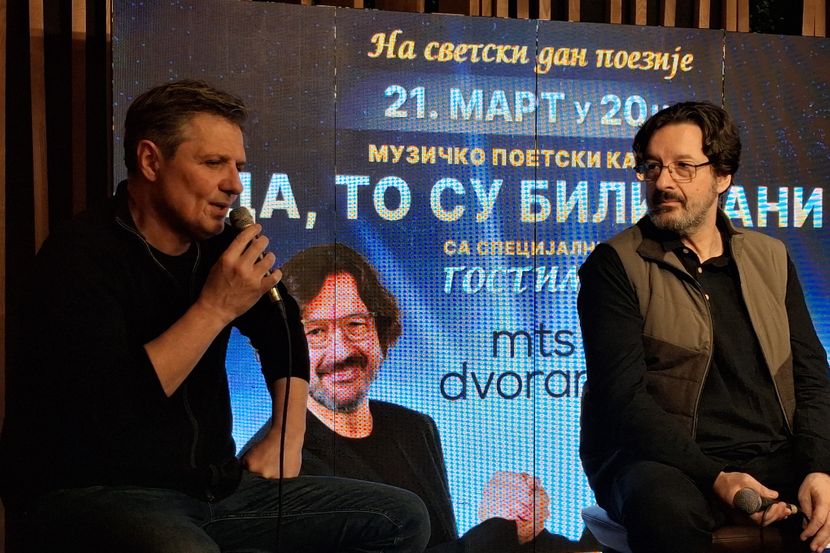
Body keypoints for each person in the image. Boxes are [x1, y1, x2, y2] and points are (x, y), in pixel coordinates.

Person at [0, 80, 430, 553]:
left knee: (399, 518)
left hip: (213, 492)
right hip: (100, 491)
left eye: (238, 167)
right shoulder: (79, 256)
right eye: (212, 163)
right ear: (150, 161)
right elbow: (112, 407)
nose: (234, 184)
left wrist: (287, 433)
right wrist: (214, 307)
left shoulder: (219, 244)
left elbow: (282, 328)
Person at [577, 101, 830, 553]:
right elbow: (622, 402)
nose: (663, 182)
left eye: (683, 167)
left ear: (723, 176)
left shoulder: (771, 257)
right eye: (651, 167)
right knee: (662, 505)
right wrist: (717, 478)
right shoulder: (614, 265)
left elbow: (811, 376)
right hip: (662, 459)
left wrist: (818, 467)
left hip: (769, 452)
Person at [245, 243, 597, 552]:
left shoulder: (414, 427)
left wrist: (525, 522)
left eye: (355, 325)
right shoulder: (274, 467)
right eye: (316, 332)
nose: (341, 351)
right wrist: (499, 529)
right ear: (284, 350)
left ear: (381, 331)